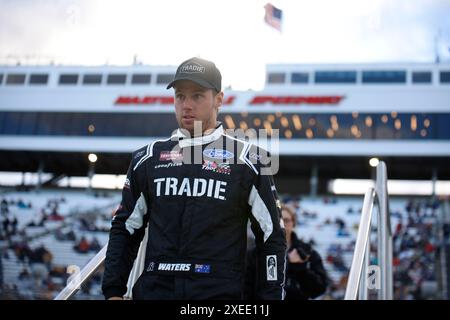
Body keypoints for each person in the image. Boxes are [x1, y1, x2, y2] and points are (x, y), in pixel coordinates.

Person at [102, 57, 286, 300]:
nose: (186, 105)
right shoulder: (147, 159)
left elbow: (271, 237)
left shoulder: (250, 160)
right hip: (154, 292)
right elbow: (125, 228)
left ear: (219, 99)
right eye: (180, 96)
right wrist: (113, 291)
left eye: (197, 95)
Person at [245, 204, 328, 300]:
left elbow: (319, 290)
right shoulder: (255, 254)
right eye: (277, 220)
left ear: (294, 224)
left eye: (286, 220)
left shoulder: (308, 252)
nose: (282, 224)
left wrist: (301, 269)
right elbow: (245, 290)